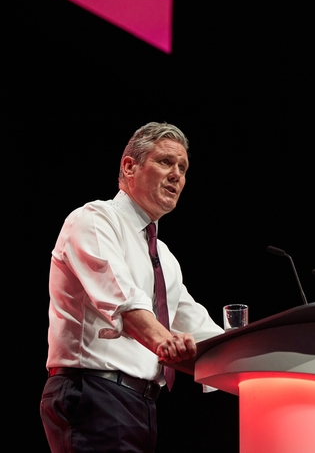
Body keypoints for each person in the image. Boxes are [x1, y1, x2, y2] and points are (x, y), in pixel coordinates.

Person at [40, 122, 224, 453]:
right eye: (166, 162)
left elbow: (198, 327)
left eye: (182, 168)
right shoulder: (94, 220)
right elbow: (125, 302)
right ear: (129, 167)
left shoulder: (164, 257)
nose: (176, 175)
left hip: (140, 404)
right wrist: (166, 342)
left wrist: (263, 358)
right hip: (94, 393)